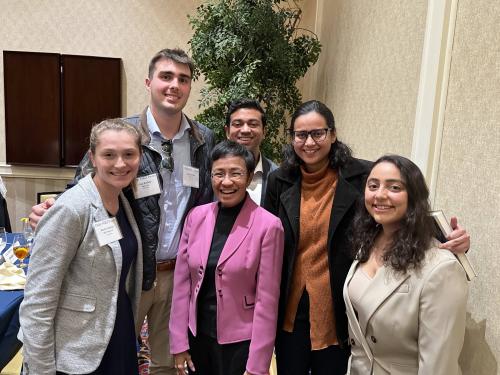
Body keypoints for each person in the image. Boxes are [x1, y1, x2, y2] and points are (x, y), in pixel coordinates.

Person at [28, 48, 215, 375]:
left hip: (179, 272)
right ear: (149, 82)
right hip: (130, 268)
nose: (174, 85)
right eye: (166, 77)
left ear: (189, 87)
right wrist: (51, 209)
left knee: (166, 362)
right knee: (113, 350)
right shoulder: (123, 134)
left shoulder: (204, 138)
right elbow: (84, 187)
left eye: (183, 79)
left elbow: (208, 199)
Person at [263, 100, 471, 375]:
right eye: (300, 135)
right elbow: (267, 234)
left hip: (339, 302)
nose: (309, 142)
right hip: (292, 304)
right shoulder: (281, 180)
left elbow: (398, 207)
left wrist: (450, 237)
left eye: (318, 133)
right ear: (292, 139)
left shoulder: (363, 175)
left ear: (333, 134)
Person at [19, 119, 143, 374]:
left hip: (115, 331)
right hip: (76, 348)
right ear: (92, 158)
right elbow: (38, 300)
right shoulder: (72, 208)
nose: (121, 163)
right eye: (109, 154)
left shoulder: (122, 200)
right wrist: (41, 369)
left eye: (129, 154)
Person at [344, 155, 467, 374]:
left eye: (394, 187)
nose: (380, 194)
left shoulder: (441, 268)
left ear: (414, 196)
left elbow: (439, 366)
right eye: (373, 186)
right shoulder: (366, 243)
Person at [170, 140, 284, 375]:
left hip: (240, 342)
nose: (226, 181)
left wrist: (257, 365)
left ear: (250, 177)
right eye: (218, 174)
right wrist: (179, 343)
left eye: (236, 173)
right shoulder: (196, 216)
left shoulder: (269, 226)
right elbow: (182, 285)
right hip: (197, 336)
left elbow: (267, 301)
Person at [225, 98, 277, 205]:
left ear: (264, 132)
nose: (245, 130)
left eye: (253, 124)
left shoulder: (277, 177)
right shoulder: (211, 173)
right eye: (238, 124)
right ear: (227, 132)